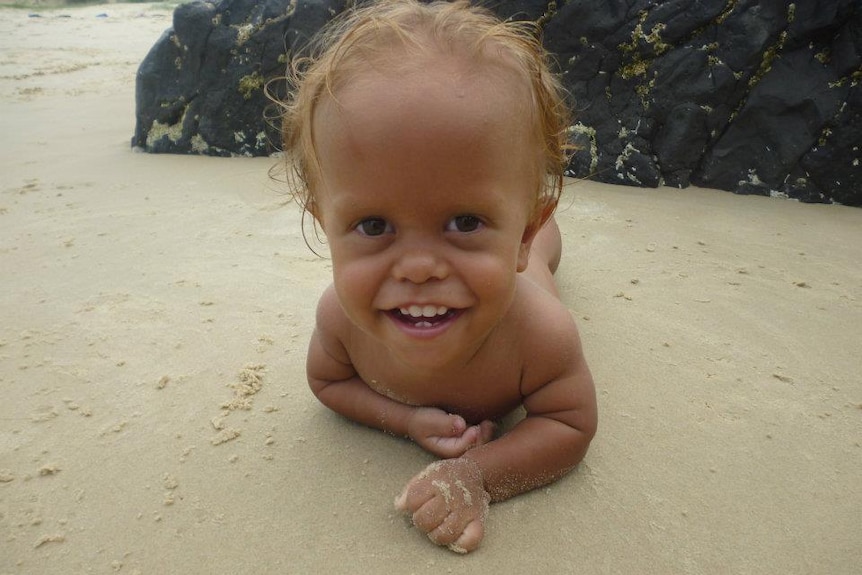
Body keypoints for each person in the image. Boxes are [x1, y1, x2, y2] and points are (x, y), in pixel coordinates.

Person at [279, 0, 597, 554]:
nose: (420, 266)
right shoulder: (340, 321)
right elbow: (328, 384)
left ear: (521, 232)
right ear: (324, 225)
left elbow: (570, 426)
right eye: (374, 225)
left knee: (547, 262)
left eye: (465, 221)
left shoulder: (541, 334)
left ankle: (543, 242)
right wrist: (403, 420)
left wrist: (478, 473)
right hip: (514, 250)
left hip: (527, 265)